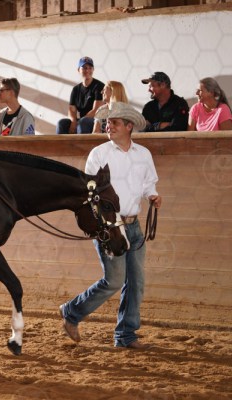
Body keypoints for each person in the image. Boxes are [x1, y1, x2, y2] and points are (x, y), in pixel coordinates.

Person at [59, 102, 162, 349]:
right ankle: (72, 311)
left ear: (129, 126)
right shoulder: (99, 154)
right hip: (110, 227)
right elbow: (91, 191)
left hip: (134, 225)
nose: (108, 126)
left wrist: (152, 195)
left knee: (136, 282)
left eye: (114, 122)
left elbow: (148, 183)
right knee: (114, 280)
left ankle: (126, 335)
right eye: (107, 122)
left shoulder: (143, 154)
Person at [56, 56, 104, 134]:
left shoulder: (99, 86)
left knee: (83, 123)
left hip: (96, 120)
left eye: (90, 68)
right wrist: (73, 121)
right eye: (84, 68)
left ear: (93, 69)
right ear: (79, 70)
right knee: (62, 123)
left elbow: (96, 110)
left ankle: (82, 142)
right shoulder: (76, 89)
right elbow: (72, 110)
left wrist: (78, 122)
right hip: (82, 121)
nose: (87, 70)